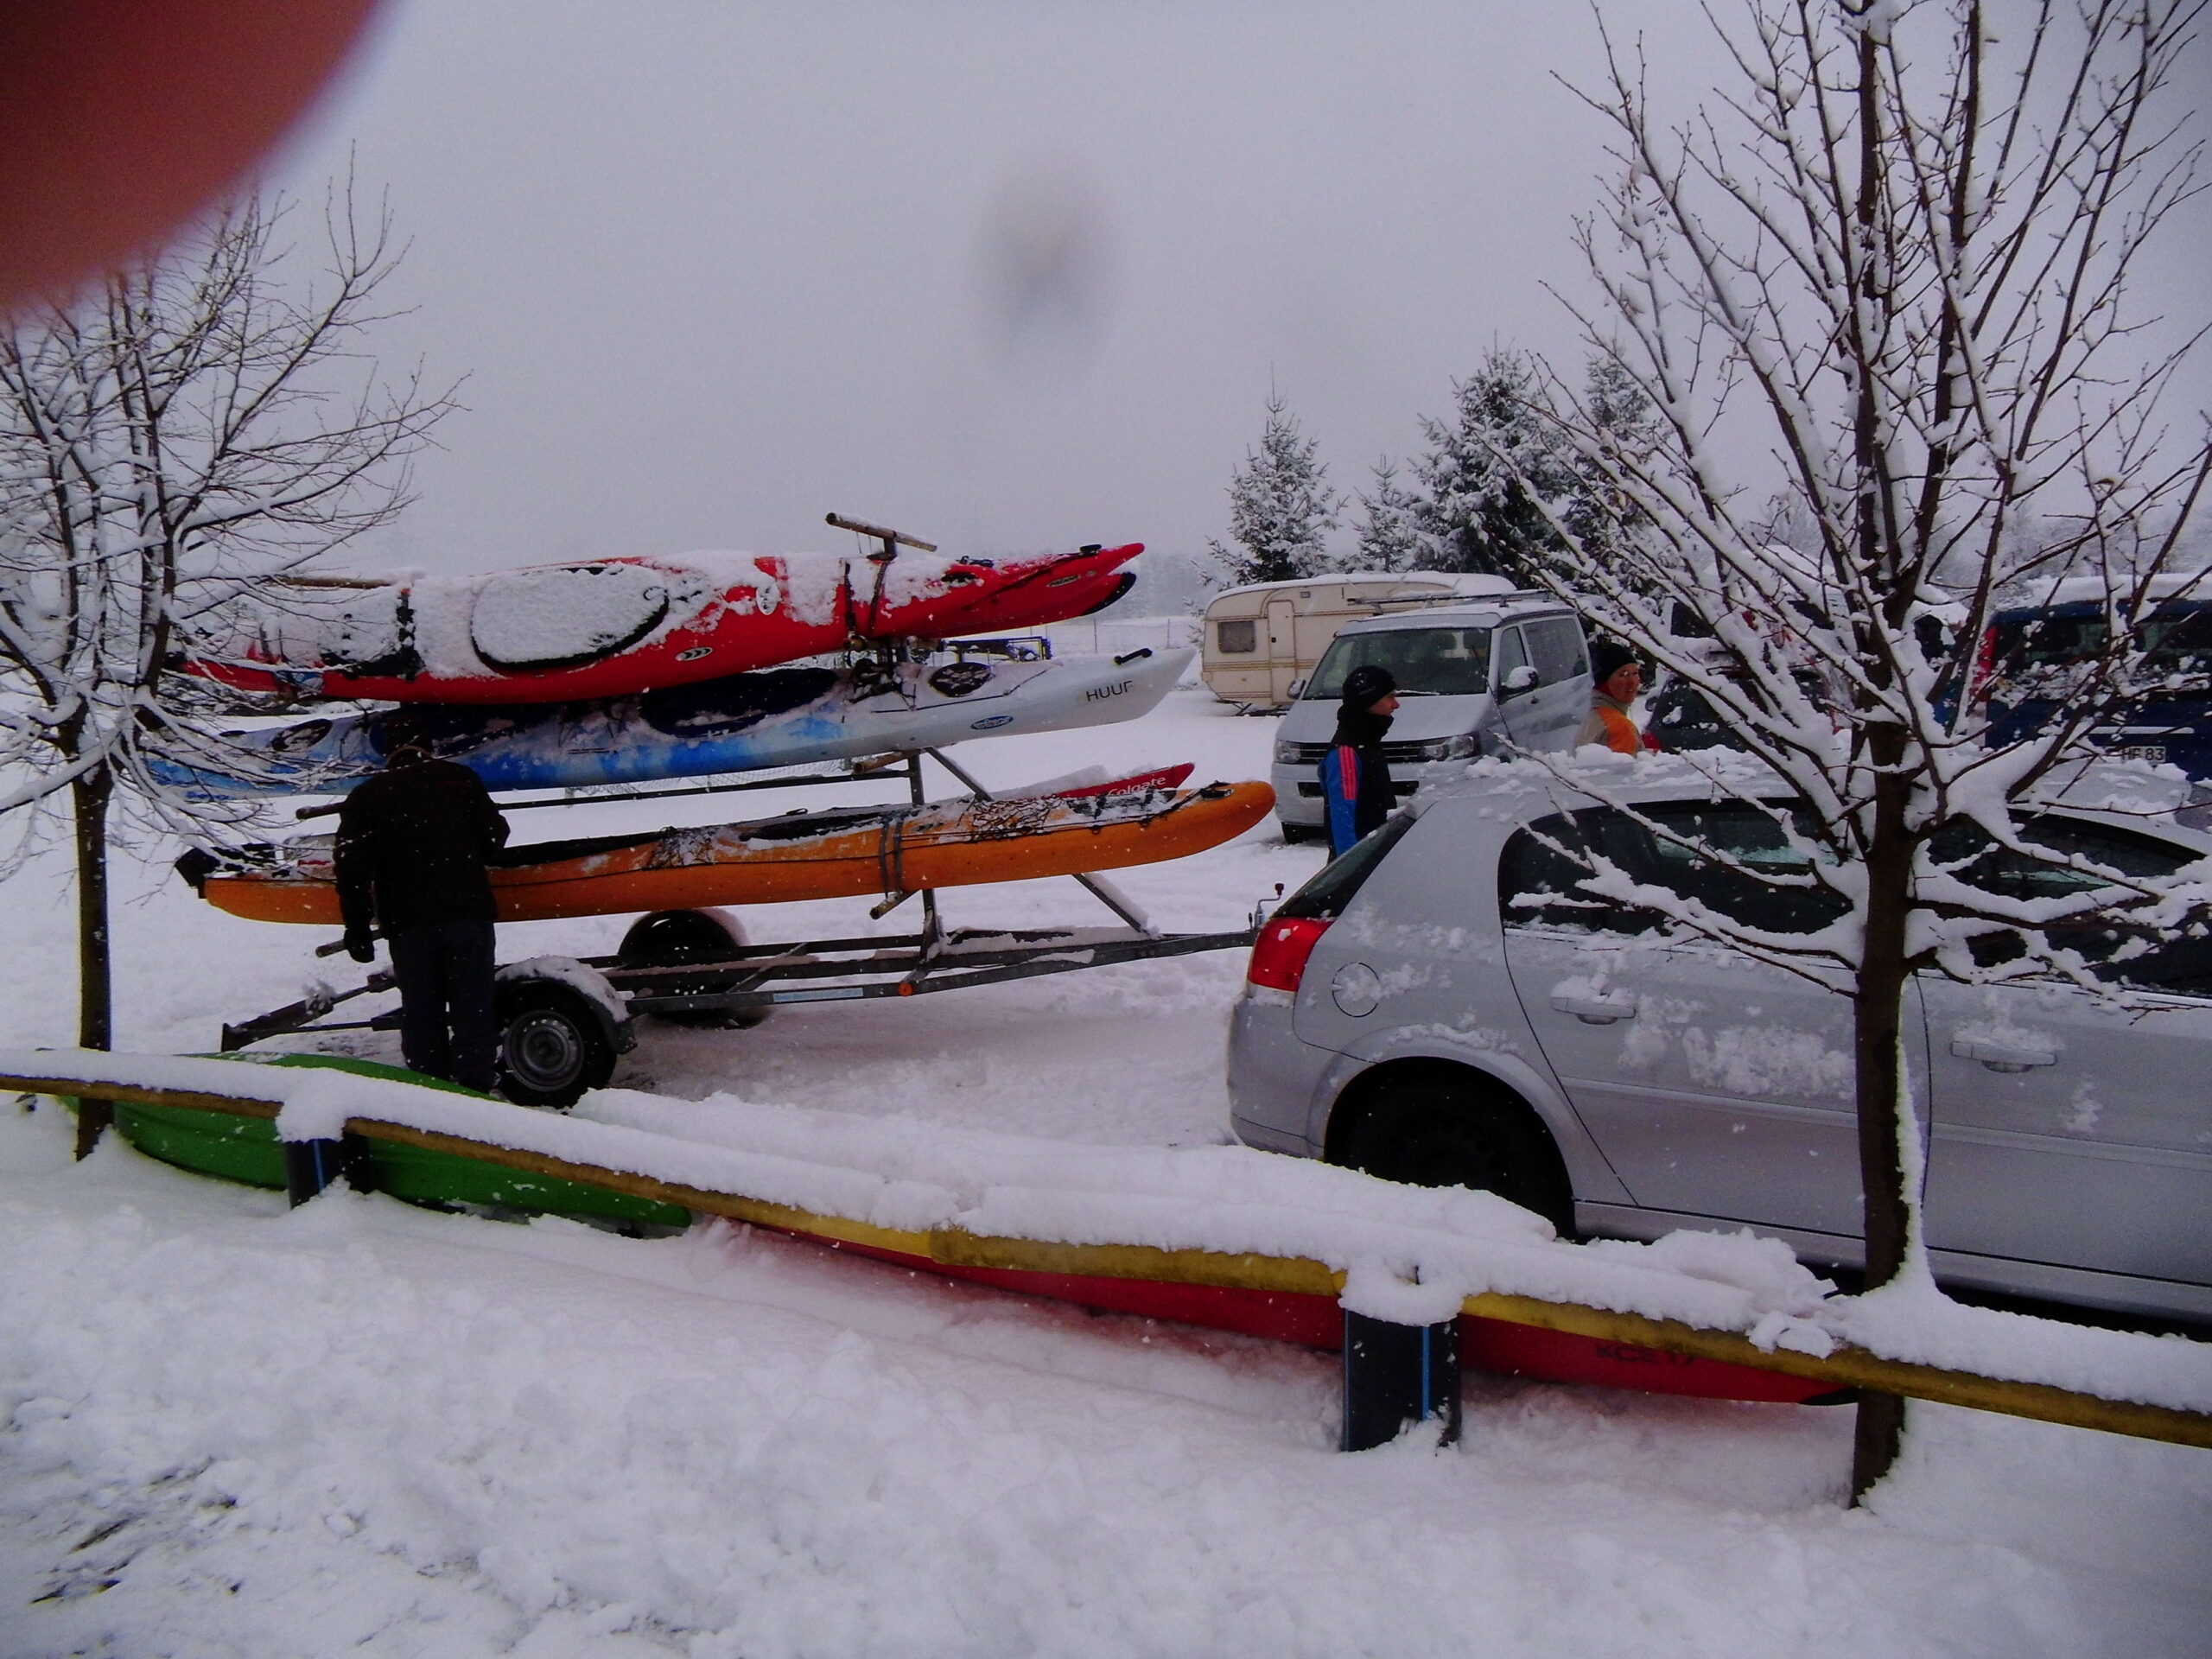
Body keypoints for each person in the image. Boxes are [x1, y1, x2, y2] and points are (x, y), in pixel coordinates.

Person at [334, 718, 511, 1091]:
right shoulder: (458, 779)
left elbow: (351, 868)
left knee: (420, 1010)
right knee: (473, 1005)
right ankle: (475, 1085)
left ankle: (429, 1090)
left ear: (387, 752)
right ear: (428, 747)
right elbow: (494, 839)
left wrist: (357, 926)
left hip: (408, 922)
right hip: (466, 912)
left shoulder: (366, 796)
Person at [1319, 663, 1402, 857]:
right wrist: (1351, 869)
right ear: (1368, 701)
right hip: (1361, 865)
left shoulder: (1368, 741)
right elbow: (1342, 818)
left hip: (1376, 856)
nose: (1396, 705)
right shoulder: (1347, 752)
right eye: (1390, 697)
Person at [1579, 640, 1648, 754]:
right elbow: (1625, 771)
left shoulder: (1589, 716)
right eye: (1623, 675)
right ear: (1603, 682)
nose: (1632, 682)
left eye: (1635, 673)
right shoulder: (1620, 727)